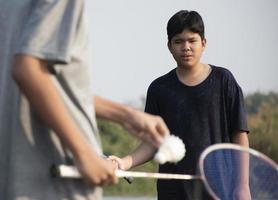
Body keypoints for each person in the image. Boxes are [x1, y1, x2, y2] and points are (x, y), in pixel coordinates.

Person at [0, 0, 169, 199]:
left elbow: (50, 89)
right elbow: (28, 71)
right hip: (56, 179)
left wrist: (126, 115)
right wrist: (84, 154)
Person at [109, 10, 250, 200]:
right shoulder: (159, 88)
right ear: (169, 46)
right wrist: (124, 162)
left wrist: (242, 186)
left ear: (204, 43)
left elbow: (239, 136)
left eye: (192, 40)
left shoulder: (224, 80)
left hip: (219, 191)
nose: (186, 47)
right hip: (173, 192)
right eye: (178, 41)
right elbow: (153, 142)